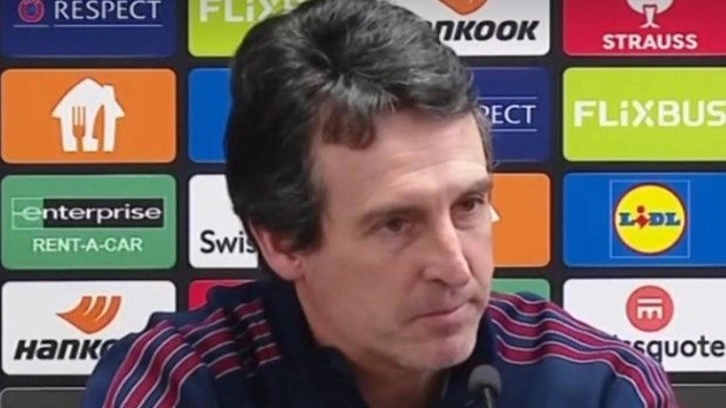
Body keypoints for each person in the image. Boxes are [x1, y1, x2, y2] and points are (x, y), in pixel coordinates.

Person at [80, 0, 679, 406]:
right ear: (282, 240)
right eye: (396, 223)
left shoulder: (598, 386)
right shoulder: (181, 383)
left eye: (469, 205)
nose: (455, 267)